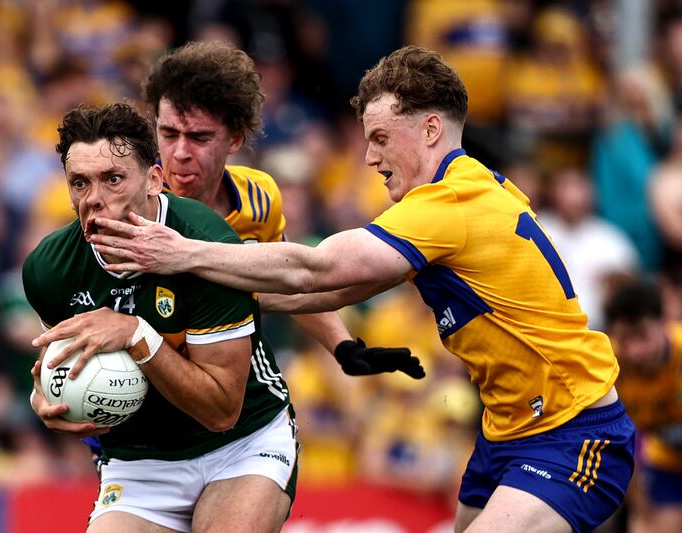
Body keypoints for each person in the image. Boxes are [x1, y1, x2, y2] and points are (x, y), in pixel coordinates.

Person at [90, 45, 635, 532]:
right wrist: (334, 342)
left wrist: (183, 255)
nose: (370, 158)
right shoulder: (465, 193)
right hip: (507, 432)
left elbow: (316, 271)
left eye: (379, 139)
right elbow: (327, 293)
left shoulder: (446, 206)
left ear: (428, 131)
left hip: (573, 432)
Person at [25, 103, 299, 533]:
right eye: (79, 183)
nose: (93, 198)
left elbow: (221, 410)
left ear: (154, 180)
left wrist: (136, 333)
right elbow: (55, 367)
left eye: (112, 179)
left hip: (241, 442)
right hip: (139, 461)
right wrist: (45, 397)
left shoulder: (205, 243)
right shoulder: (49, 268)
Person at [140, 40, 423, 379]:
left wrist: (343, 346)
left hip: (233, 386)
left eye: (199, 137)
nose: (180, 152)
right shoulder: (136, 208)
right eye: (169, 134)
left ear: (234, 139)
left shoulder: (260, 197)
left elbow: (286, 282)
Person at [604, 281, 682, 533]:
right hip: (673, 463)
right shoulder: (609, 369)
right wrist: (644, 512)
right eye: (624, 339)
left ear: (663, 324)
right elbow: (618, 448)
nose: (634, 351)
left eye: (641, 336)